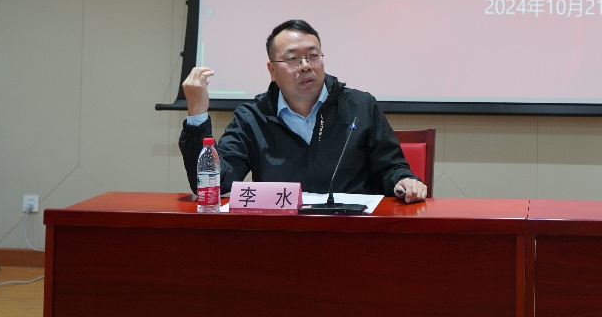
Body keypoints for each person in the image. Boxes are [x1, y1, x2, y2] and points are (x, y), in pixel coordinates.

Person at [179, 19, 428, 203]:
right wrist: (197, 114)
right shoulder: (252, 118)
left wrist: (403, 180)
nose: (306, 66)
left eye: (313, 56)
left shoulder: (359, 107)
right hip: (280, 235)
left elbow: (389, 168)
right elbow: (216, 183)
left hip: (350, 231)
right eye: (292, 59)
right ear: (271, 70)